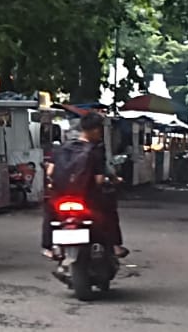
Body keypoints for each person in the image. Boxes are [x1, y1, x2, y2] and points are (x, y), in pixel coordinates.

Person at [42, 110, 126, 258]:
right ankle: (114, 246)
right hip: (86, 197)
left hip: (61, 196)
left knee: (50, 214)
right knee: (109, 211)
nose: (100, 134)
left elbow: (49, 172)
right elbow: (99, 180)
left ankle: (48, 247)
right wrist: (112, 181)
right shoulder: (95, 151)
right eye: (100, 130)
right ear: (94, 130)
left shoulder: (61, 148)